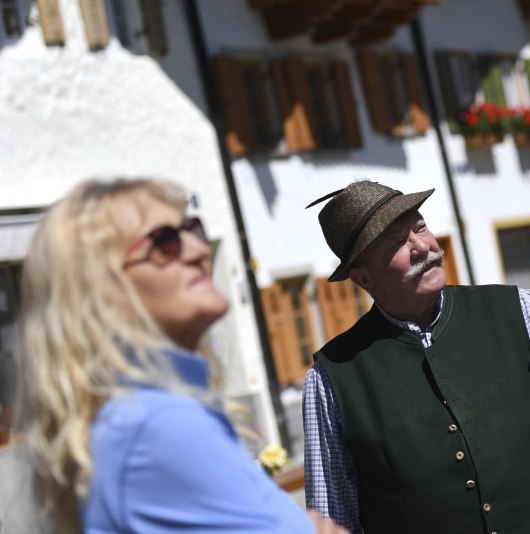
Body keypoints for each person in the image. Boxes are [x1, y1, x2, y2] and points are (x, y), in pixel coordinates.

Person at [302, 170, 530, 533]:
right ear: (364, 278)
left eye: (420, 228)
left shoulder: (516, 310)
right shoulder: (334, 376)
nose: (423, 247)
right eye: (397, 244)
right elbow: (330, 518)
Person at [13, 178, 348, 533]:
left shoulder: (141, 415)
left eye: (192, 229)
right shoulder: (155, 425)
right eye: (164, 241)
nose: (199, 250)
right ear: (102, 291)